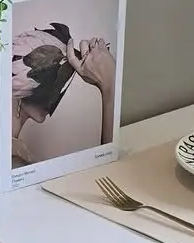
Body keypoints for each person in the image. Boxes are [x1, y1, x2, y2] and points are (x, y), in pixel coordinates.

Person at [11, 23, 116, 164]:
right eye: (53, 79)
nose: (56, 96)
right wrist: (110, 87)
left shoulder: (12, 151)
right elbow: (108, 171)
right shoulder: (13, 162)